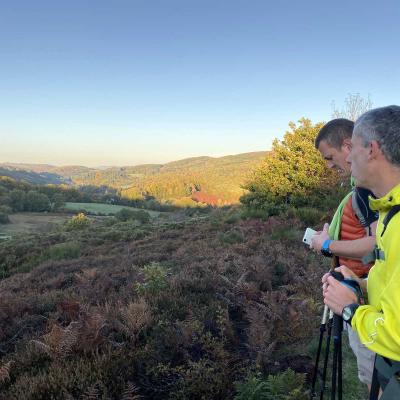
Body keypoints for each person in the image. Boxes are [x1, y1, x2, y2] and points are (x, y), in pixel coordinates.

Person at [323, 105, 400, 399]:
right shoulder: (389, 212)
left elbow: (397, 337)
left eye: (352, 146)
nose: (348, 155)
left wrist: (352, 309)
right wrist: (360, 285)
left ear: (372, 150)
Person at [311, 118, 378, 391]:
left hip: (369, 296)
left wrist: (327, 246)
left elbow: (377, 243)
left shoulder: (367, 190)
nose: (328, 164)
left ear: (348, 146)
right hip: (363, 286)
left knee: (374, 376)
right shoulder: (362, 187)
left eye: (329, 157)